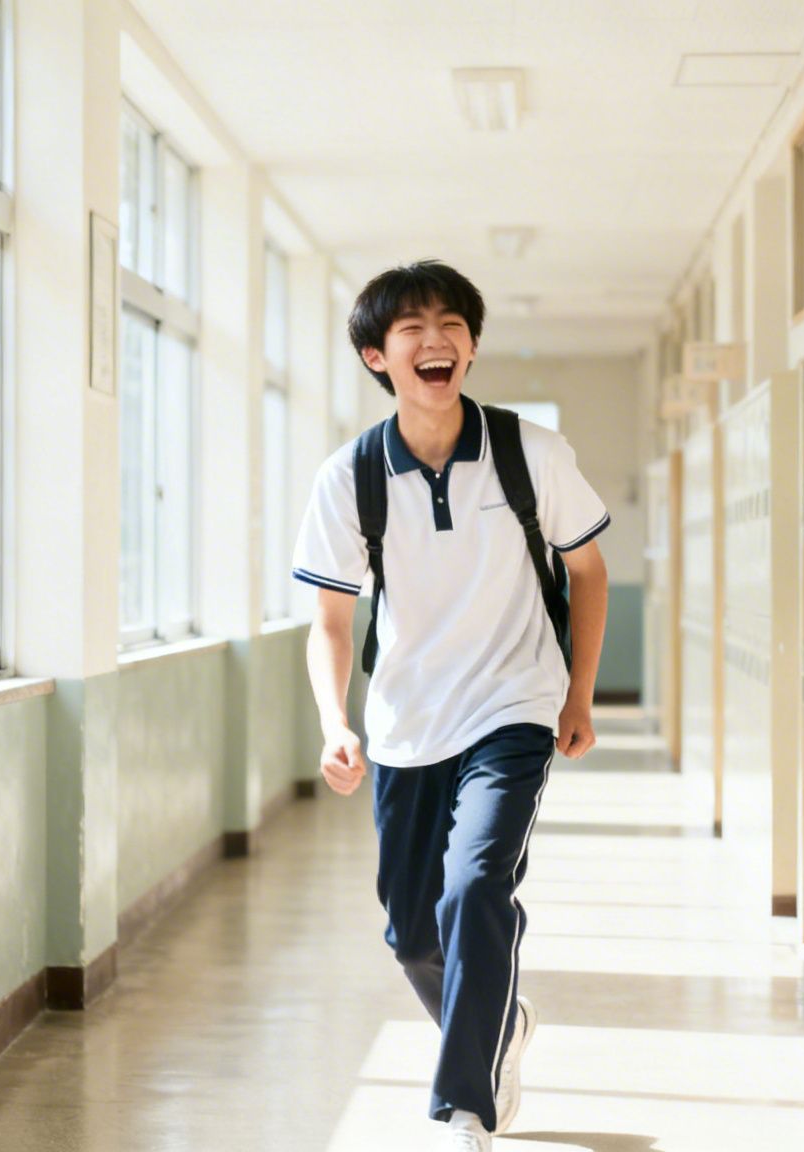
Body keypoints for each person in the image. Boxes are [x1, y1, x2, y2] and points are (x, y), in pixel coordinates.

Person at [292, 260, 612, 1151]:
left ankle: (464, 1106)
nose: (436, 342)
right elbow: (327, 620)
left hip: (514, 708)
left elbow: (587, 571)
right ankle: (499, 1026)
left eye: (451, 325)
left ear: (471, 344)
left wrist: (578, 691)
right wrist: (335, 722)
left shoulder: (530, 453)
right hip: (405, 723)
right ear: (376, 355)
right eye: (411, 330)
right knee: (410, 930)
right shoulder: (349, 477)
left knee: (475, 888)